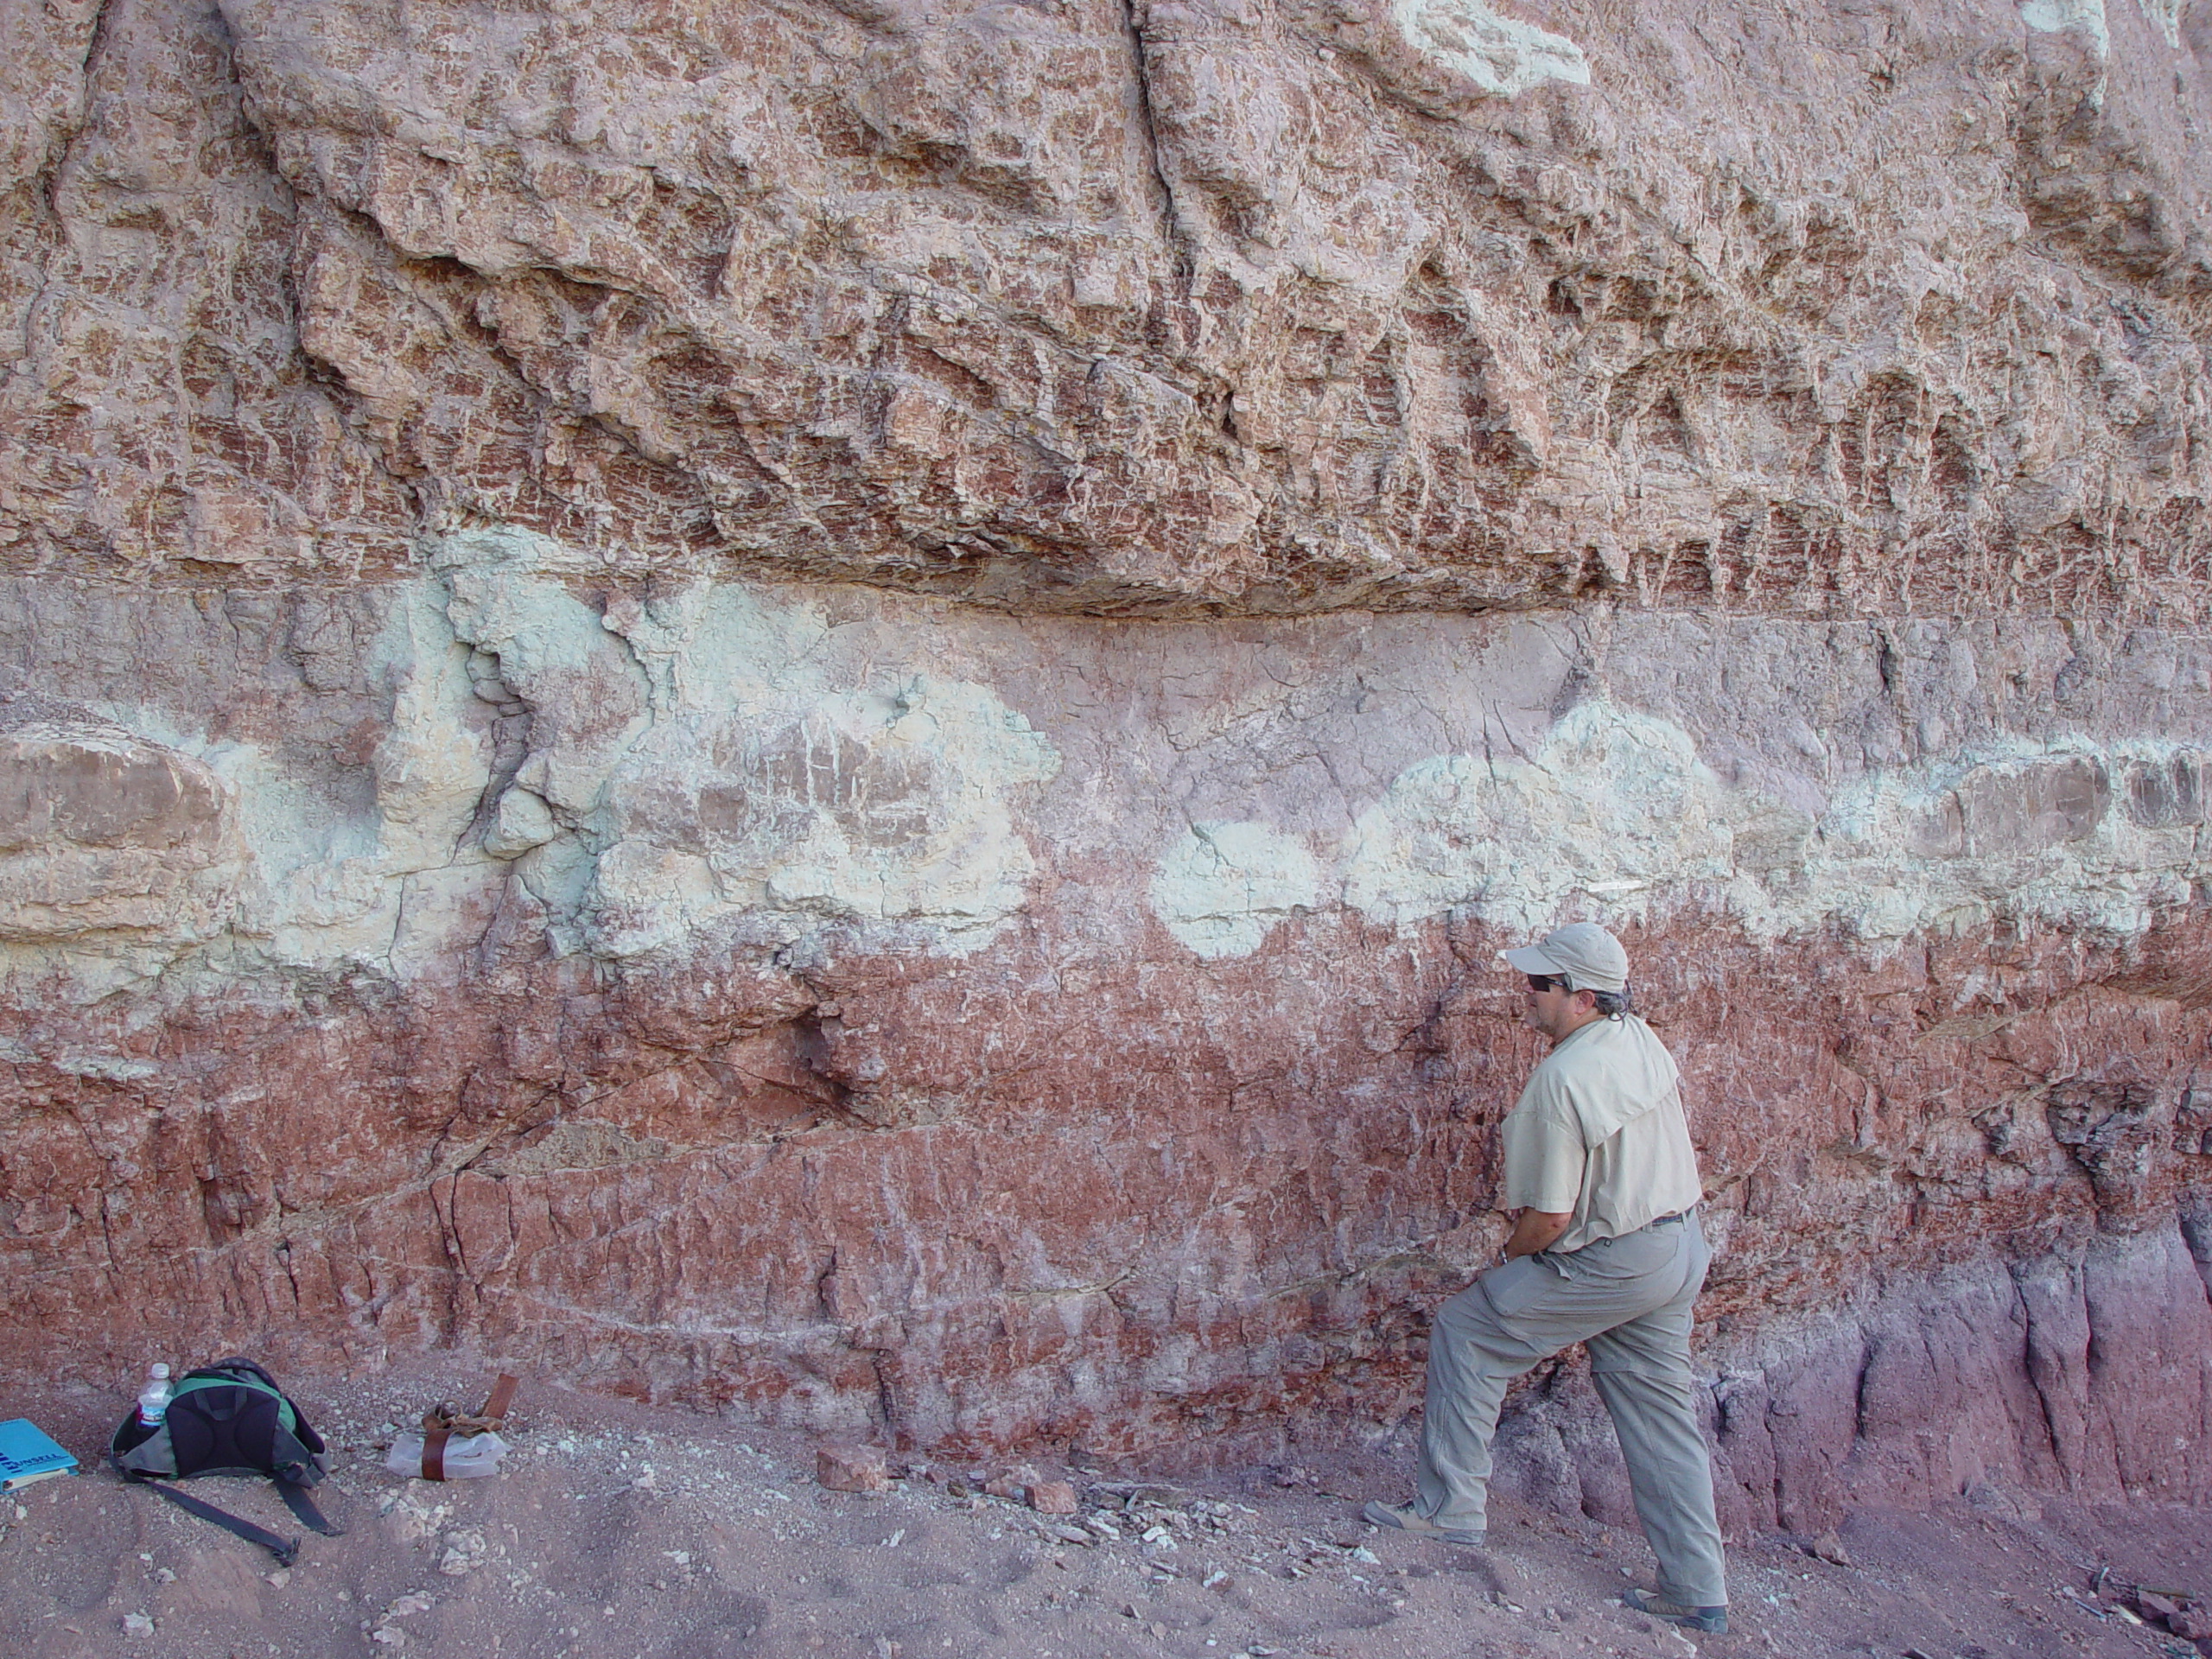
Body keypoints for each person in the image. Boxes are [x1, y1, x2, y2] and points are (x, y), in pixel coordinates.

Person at [1361, 921, 1729, 1636]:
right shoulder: (1638, 1037)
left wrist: (1507, 1264)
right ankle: (1696, 1588)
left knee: (1468, 1329)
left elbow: (1550, 1220)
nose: (1527, 996)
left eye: (1540, 984)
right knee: (1662, 1418)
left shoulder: (1561, 1079)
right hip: (1680, 1247)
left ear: (1583, 997)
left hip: (1616, 1260)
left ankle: (1448, 1513)